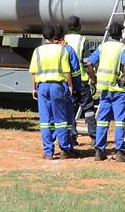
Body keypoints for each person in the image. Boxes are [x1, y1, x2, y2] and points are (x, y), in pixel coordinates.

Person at [85, 22, 125, 162]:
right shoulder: (122, 48)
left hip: (105, 91)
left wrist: (93, 79)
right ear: (121, 33)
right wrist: (124, 78)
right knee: (119, 122)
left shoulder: (102, 47)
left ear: (110, 33)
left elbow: (89, 64)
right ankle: (120, 152)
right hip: (118, 91)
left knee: (102, 121)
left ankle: (99, 151)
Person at [30, 23, 79, 160]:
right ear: (54, 36)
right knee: (61, 119)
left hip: (42, 87)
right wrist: (70, 86)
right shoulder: (61, 50)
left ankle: (48, 152)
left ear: (44, 36)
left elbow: (34, 72)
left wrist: (34, 88)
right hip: (57, 86)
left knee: (45, 120)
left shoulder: (37, 51)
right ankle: (64, 149)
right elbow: (66, 71)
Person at [63, 15, 95, 146]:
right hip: (81, 80)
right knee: (88, 109)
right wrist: (92, 78)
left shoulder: (62, 40)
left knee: (70, 109)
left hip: (67, 80)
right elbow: (87, 62)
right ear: (79, 27)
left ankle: (72, 137)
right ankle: (94, 137)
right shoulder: (82, 40)